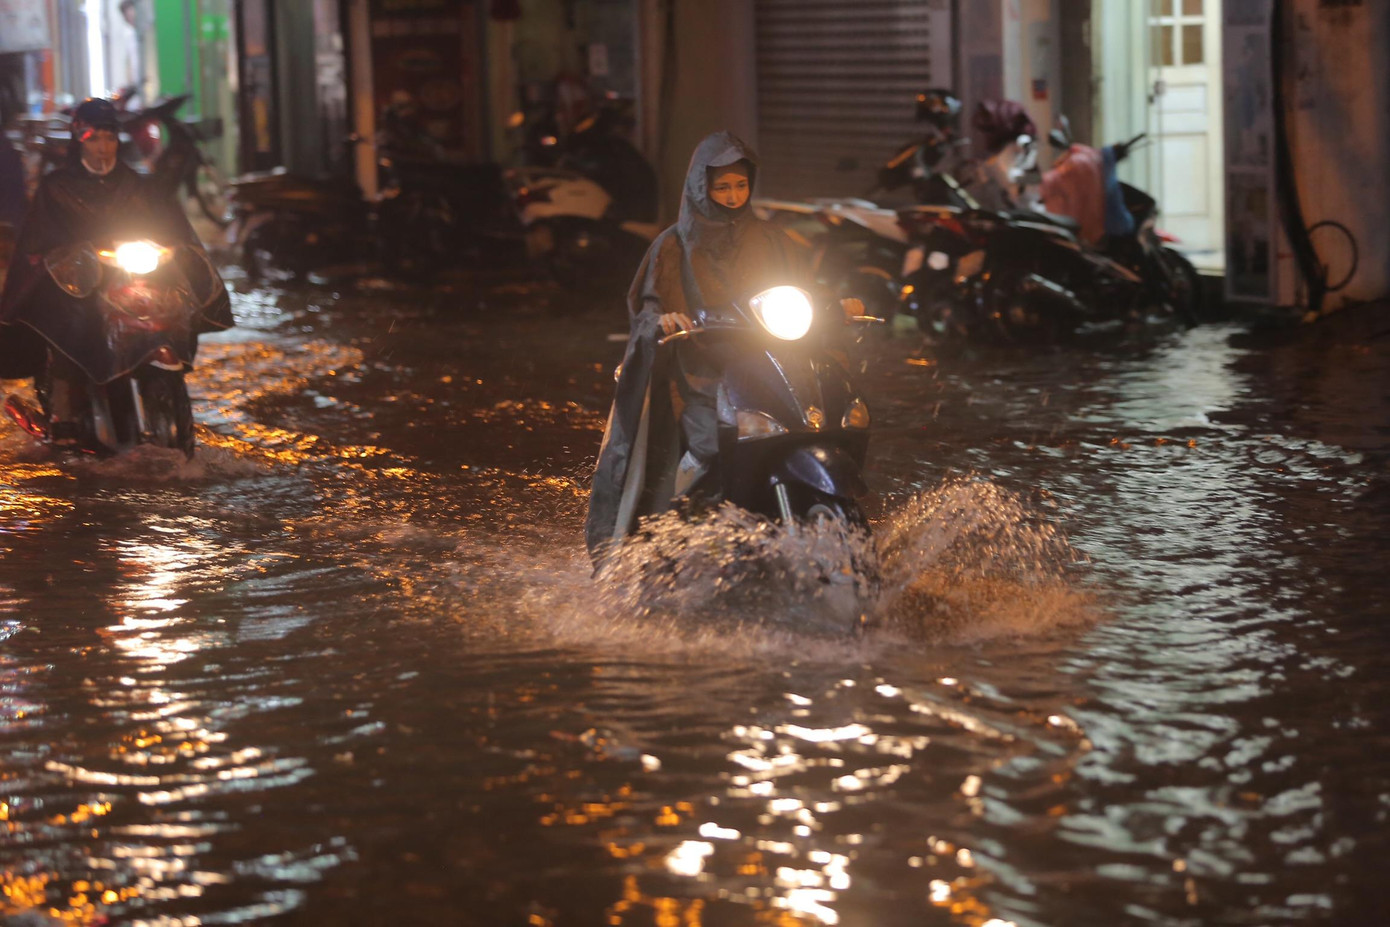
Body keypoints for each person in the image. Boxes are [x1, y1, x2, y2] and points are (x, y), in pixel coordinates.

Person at [584, 131, 855, 563]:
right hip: (700, 368)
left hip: (771, 359)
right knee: (710, 443)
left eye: (740, 185)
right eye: (722, 186)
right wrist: (665, 320)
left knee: (835, 417)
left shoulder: (773, 239)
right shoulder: (673, 245)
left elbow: (802, 288)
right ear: (701, 187)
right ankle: (689, 529)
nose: (733, 195)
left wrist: (833, 303)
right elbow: (649, 306)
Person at [0, 97, 232, 437]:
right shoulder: (57, 188)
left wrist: (172, 251)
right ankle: (64, 417)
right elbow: (38, 245)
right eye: (94, 139)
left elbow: (172, 231)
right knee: (70, 327)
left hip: (133, 282)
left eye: (109, 138)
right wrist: (73, 257)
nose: (102, 148)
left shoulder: (139, 185)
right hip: (79, 287)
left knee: (169, 313)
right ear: (79, 140)